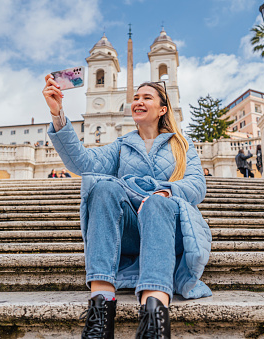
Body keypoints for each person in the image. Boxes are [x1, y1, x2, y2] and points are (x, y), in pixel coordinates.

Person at [43, 76, 211, 339]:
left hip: (169, 228)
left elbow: (196, 185)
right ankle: (100, 313)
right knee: (102, 187)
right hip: (133, 230)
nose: (138, 102)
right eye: (135, 98)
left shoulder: (182, 145)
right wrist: (57, 114)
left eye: (146, 98)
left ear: (162, 109)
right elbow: (82, 163)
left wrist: (166, 191)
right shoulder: (121, 146)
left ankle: (154, 320)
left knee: (156, 202)